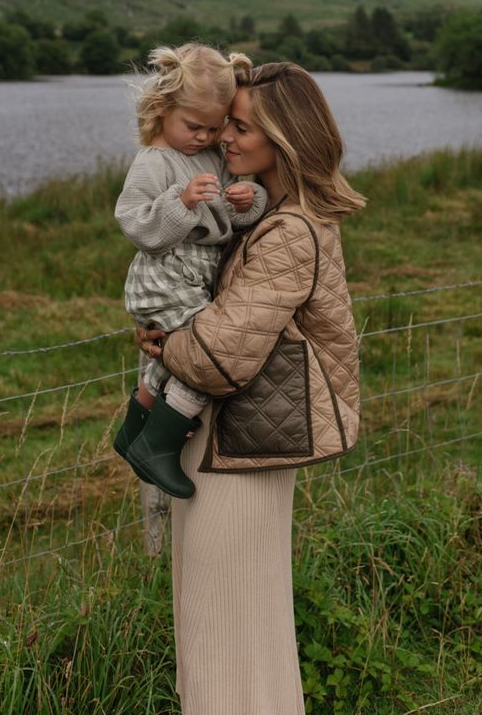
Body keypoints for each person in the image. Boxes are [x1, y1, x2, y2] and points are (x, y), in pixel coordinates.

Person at [137, 62, 365, 715]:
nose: (226, 139)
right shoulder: (273, 214)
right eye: (227, 123)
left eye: (241, 127)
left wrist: (164, 334)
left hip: (237, 458)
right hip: (229, 447)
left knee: (226, 638)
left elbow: (218, 357)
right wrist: (166, 331)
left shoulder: (291, 232)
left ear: (285, 138)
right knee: (233, 634)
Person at [112, 44, 268, 498]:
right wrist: (179, 203)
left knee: (181, 351)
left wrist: (247, 201)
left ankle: (136, 428)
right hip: (165, 272)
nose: (204, 137)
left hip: (195, 271)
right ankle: (158, 445)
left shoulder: (213, 158)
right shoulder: (153, 162)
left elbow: (225, 220)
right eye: (193, 126)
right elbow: (137, 224)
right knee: (207, 350)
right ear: (163, 109)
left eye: (214, 127)